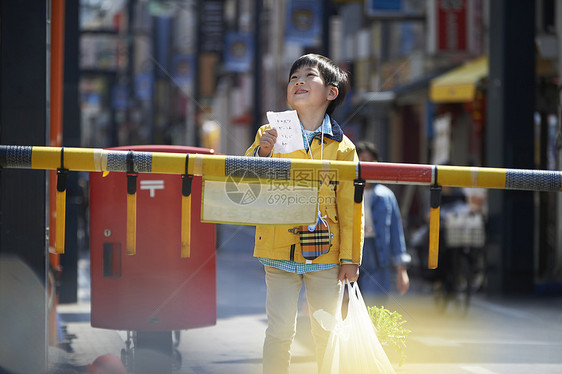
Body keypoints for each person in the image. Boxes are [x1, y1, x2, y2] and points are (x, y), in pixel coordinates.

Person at [245, 54, 363, 374]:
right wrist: (262, 153)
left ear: (331, 92)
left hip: (326, 252)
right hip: (277, 248)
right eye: (293, 76)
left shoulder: (343, 148)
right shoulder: (269, 133)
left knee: (326, 332)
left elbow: (352, 207)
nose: (298, 81)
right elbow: (245, 180)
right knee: (279, 331)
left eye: (309, 75)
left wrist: (351, 257)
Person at [355, 141, 410, 302]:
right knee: (349, 308)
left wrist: (402, 270)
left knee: (376, 307)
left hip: (378, 253)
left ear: (376, 164)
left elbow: (396, 232)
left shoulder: (386, 196)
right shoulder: (346, 191)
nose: (363, 164)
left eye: (368, 160)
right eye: (359, 160)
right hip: (351, 253)